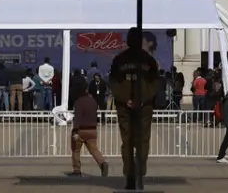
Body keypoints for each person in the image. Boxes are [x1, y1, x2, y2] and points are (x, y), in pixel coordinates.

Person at [109, 26, 160, 190]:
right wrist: (142, 100)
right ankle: (137, 175)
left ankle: (132, 176)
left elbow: (114, 83)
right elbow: (155, 84)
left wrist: (126, 100)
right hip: (141, 107)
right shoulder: (149, 61)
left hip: (130, 106)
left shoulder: (120, 59)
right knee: (141, 142)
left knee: (129, 142)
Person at [68, 86, 108, 178]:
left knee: (76, 150)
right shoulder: (92, 101)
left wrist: (75, 131)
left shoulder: (78, 102)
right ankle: (102, 163)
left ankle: (77, 170)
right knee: (94, 150)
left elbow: (78, 118)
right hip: (92, 129)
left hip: (81, 130)